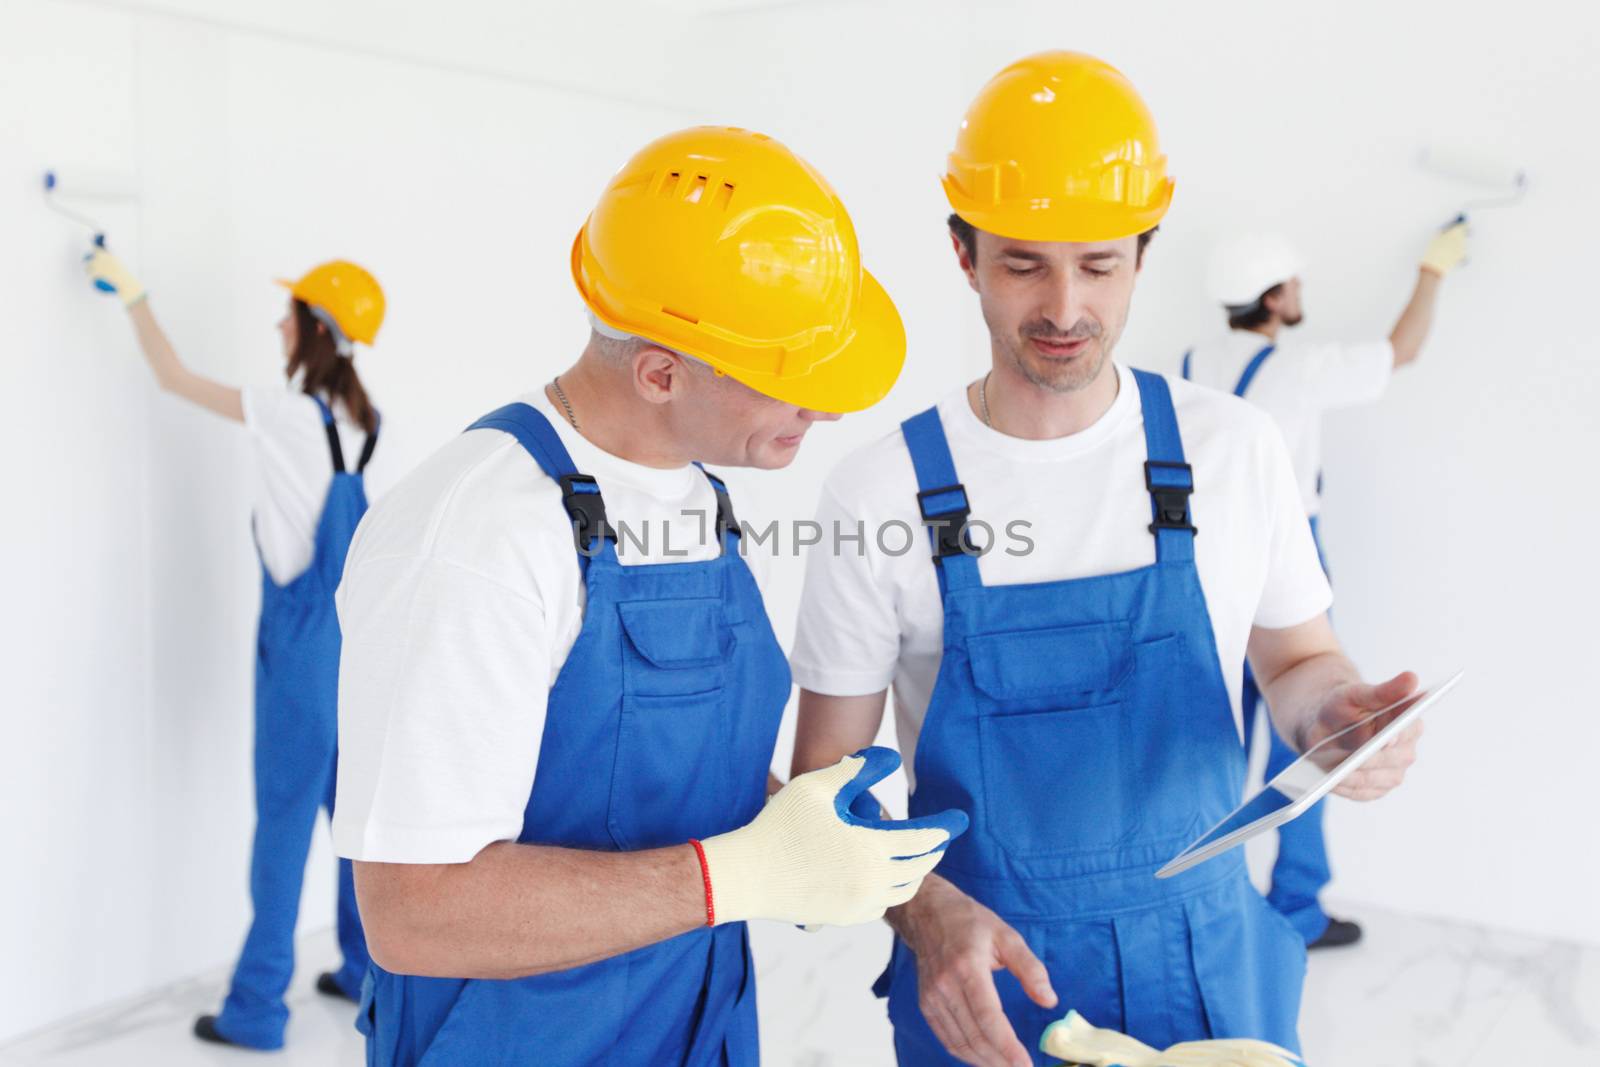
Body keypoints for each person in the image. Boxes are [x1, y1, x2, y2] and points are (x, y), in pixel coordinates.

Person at [788, 52, 1425, 1066]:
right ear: (962, 253)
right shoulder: (880, 492)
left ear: (1143, 252)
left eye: (1098, 264)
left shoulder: (1231, 449)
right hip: (990, 978)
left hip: (1214, 958)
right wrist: (923, 914)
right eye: (1022, 263)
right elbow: (823, 785)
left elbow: (1299, 661)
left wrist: (1336, 717)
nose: (1063, 309)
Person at [332, 125, 967, 1066]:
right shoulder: (476, 537)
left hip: (698, 1023)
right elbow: (413, 910)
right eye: (790, 383)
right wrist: (742, 872)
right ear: (660, 372)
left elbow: (644, 770)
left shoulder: (696, 494)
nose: (827, 410)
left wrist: (819, 845)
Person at [84, 251, 384, 1050]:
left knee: (282, 822)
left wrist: (136, 300)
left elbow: (174, 377)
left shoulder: (290, 414)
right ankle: (368, 970)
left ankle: (255, 1006)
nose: (278, 323)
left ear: (316, 328)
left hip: (299, 647)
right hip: (352, 646)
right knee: (347, 817)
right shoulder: (361, 420)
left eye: (291, 313)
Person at [1177, 224, 1468, 949]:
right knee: (1307, 739)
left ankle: (1200, 905)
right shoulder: (1295, 368)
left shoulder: (1186, 362)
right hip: (1284, 555)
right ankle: (1298, 908)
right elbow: (1401, 351)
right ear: (1273, 297)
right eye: (1295, 285)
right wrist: (1433, 271)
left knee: (1210, 736)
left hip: (1200, 564)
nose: (1301, 293)